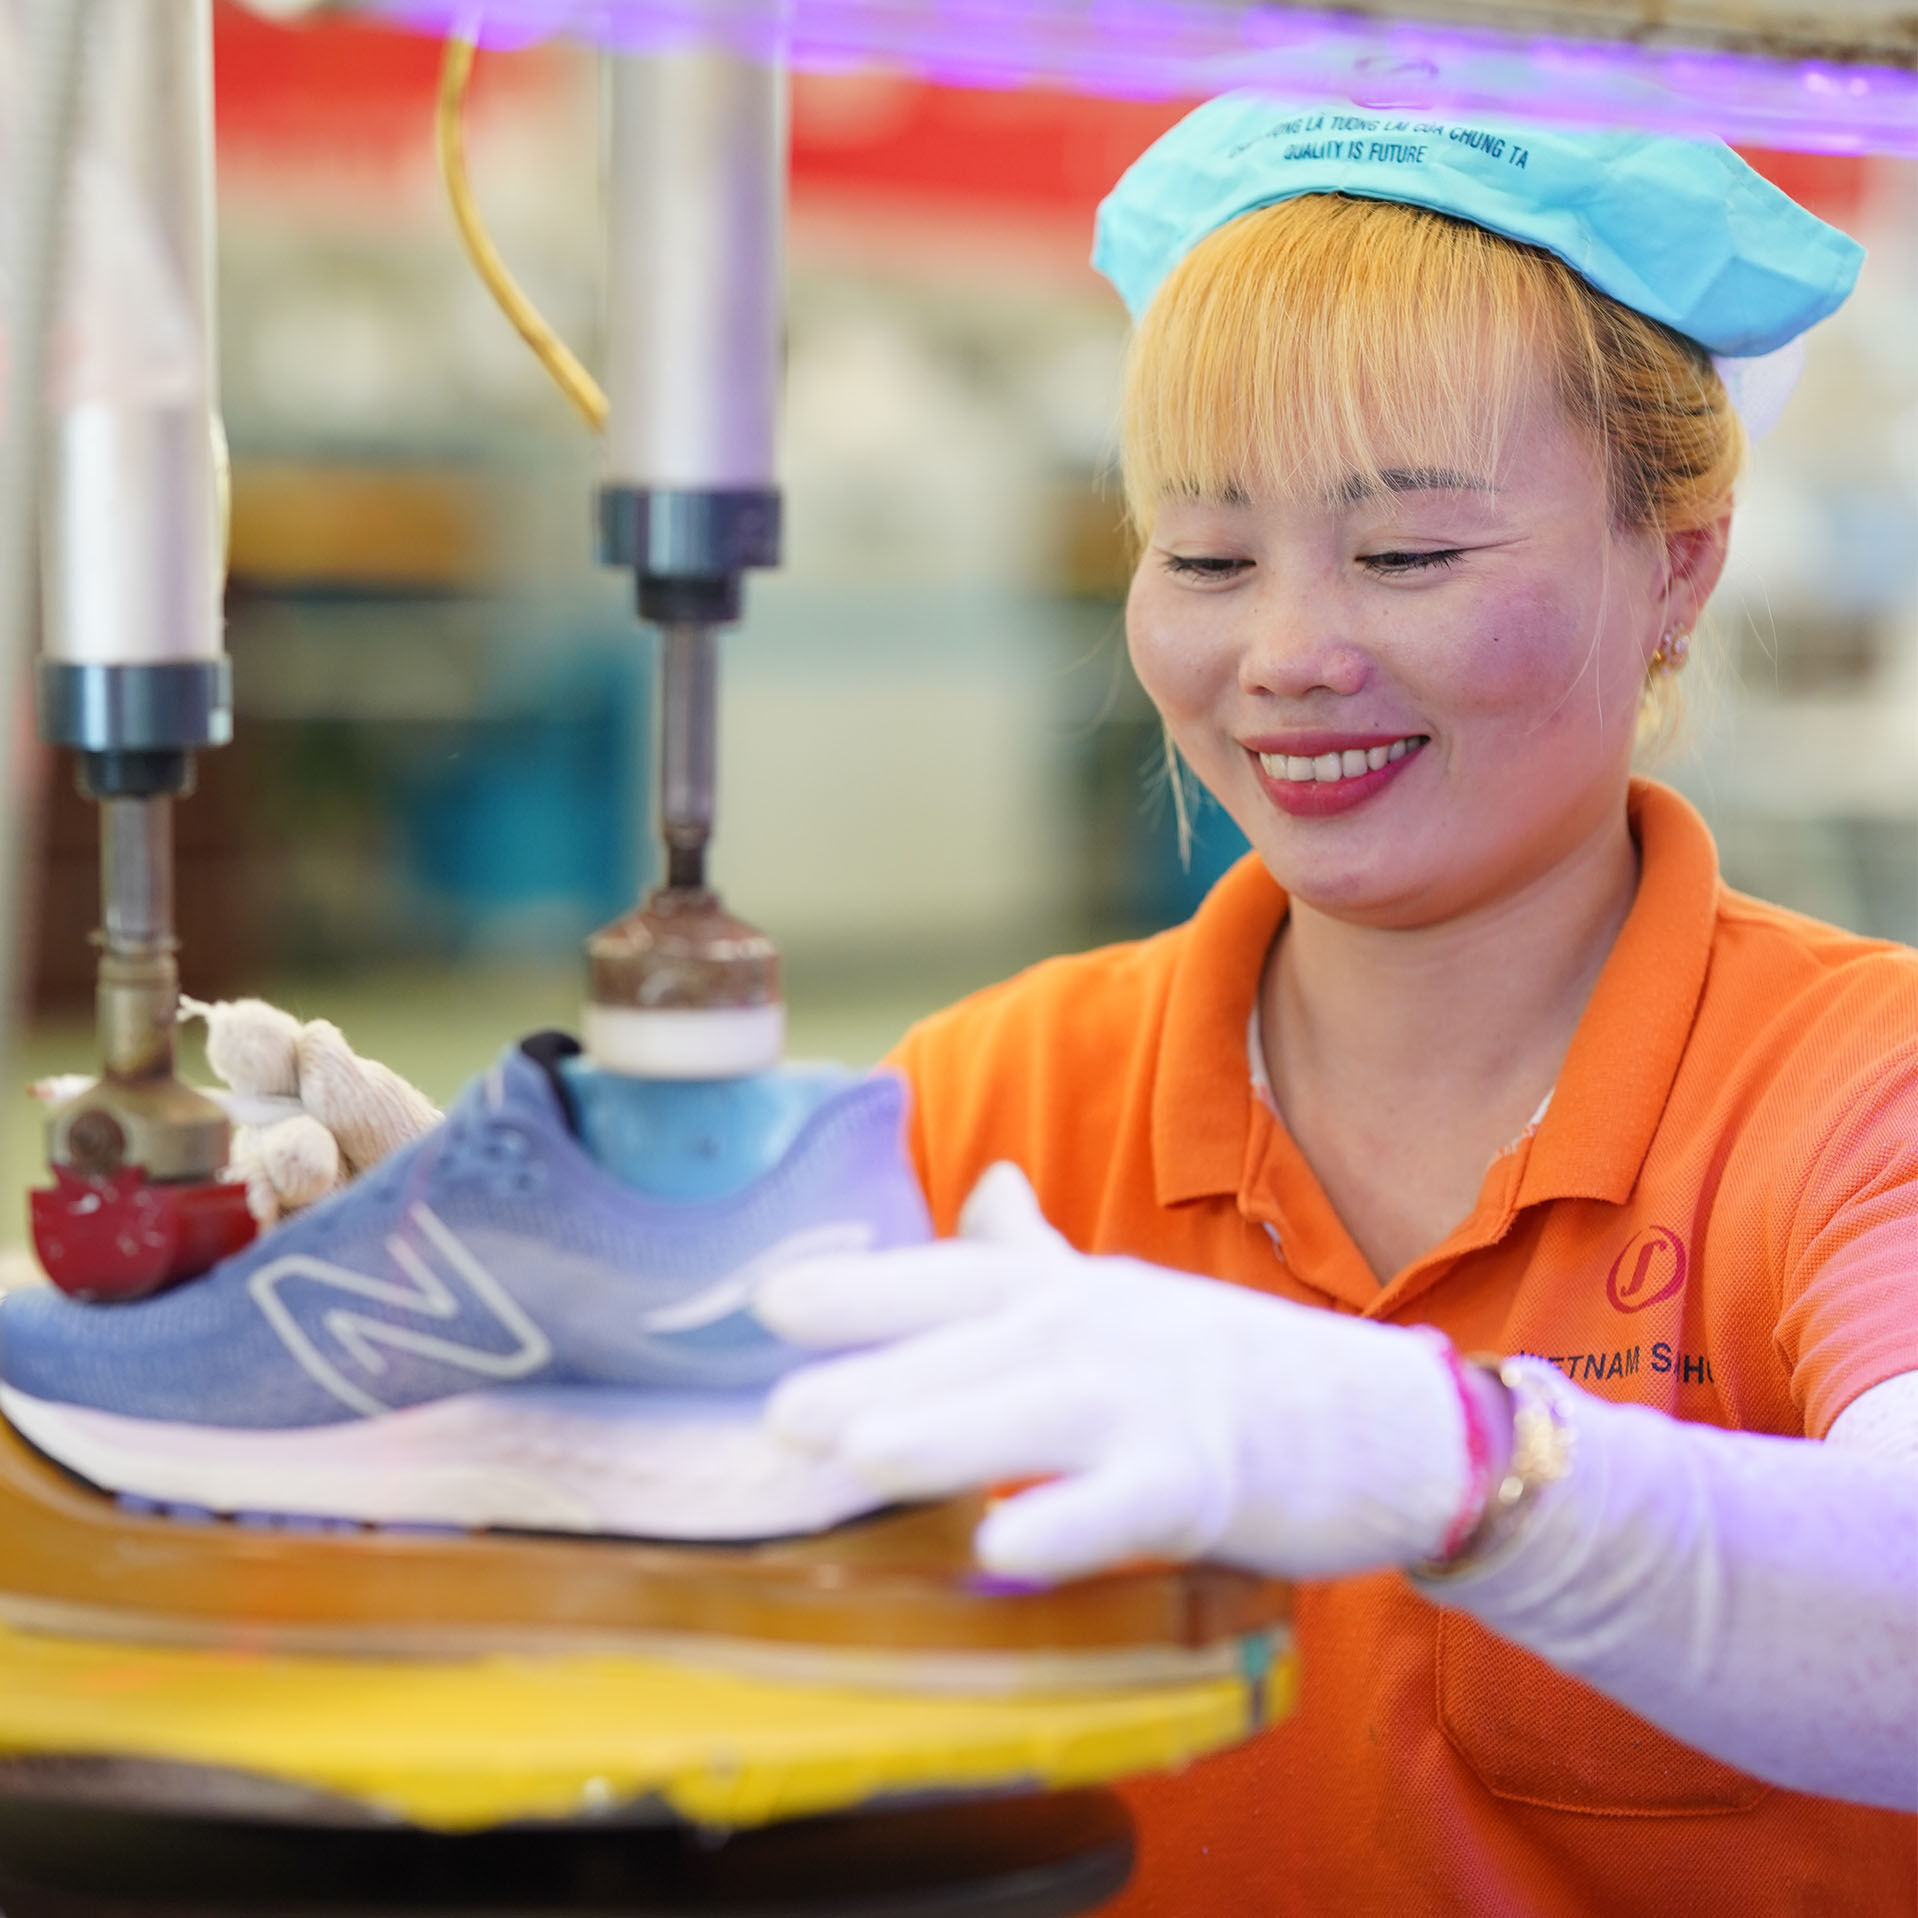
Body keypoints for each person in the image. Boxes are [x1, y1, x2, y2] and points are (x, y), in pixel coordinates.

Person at [31, 99, 1915, 1913]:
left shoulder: (1851, 1092)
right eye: (1201, 555)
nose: (1282, 655)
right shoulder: (995, 1099)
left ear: (1678, 561)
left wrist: (1455, 1463)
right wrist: (525, 1379)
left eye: (1408, 551)